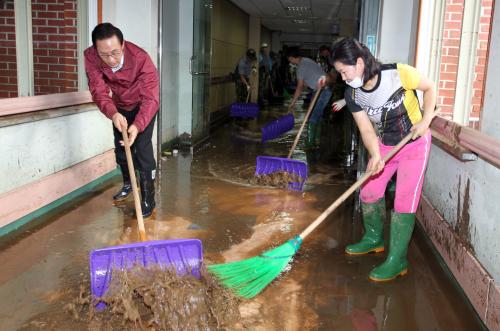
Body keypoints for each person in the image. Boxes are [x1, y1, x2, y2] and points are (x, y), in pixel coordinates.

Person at [331, 37, 436, 281]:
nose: (344, 78)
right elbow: (366, 130)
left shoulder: (398, 73)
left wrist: (425, 120)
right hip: (385, 145)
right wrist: (376, 154)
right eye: (340, 74)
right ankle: (373, 238)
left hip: (414, 144)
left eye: (344, 72)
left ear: (359, 63)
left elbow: (430, 88)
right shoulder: (353, 94)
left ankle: (397, 260)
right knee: (368, 190)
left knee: (404, 200)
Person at [84, 23, 159, 218]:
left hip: (143, 106)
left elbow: (151, 97)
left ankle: (148, 198)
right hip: (119, 107)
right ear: (95, 50)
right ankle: (128, 184)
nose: (110, 59)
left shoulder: (141, 58)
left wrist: (138, 125)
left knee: (141, 150)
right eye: (104, 55)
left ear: (123, 45)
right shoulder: (91, 56)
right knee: (121, 150)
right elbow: (98, 91)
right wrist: (113, 113)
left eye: (115, 53)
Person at [287, 46, 332, 148]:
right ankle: (316, 140)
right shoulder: (307, 60)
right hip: (324, 90)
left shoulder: (300, 68)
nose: (290, 61)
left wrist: (293, 102)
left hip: (322, 91)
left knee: (312, 118)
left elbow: (299, 87)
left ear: (291, 58)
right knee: (317, 115)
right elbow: (307, 82)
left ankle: (310, 143)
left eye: (289, 59)